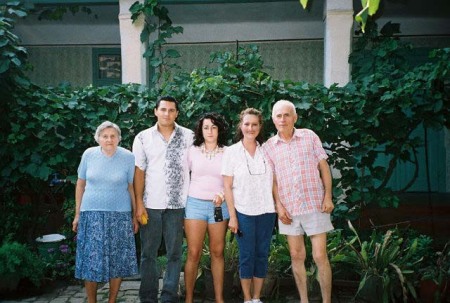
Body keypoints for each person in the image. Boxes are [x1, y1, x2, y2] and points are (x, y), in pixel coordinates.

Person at [263, 99, 334, 303]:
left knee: (320, 256)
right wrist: (279, 206)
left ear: (295, 117)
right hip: (289, 210)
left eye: (287, 115)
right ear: (273, 119)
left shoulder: (309, 136)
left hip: (315, 203)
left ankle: (326, 301)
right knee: (296, 256)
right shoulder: (269, 146)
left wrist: (328, 195)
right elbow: (273, 180)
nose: (283, 119)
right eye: (279, 115)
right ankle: (304, 300)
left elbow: (324, 167)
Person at [133, 96, 194, 303]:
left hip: (178, 205)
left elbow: (198, 167)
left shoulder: (189, 136)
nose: (167, 114)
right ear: (155, 111)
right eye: (163, 109)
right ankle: (148, 297)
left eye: (171, 110)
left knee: (175, 253)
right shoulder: (143, 138)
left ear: (177, 113)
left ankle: (169, 295)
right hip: (150, 204)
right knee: (148, 253)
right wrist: (139, 203)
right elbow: (139, 172)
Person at [72, 121, 138, 303]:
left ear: (118, 138)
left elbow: (131, 187)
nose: (109, 140)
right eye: (105, 136)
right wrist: (77, 214)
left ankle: (112, 300)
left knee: (118, 261)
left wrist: (134, 215)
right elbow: (80, 184)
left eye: (113, 136)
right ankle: (92, 301)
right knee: (90, 262)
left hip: (120, 216)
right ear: (98, 138)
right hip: (91, 214)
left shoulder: (128, 157)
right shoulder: (89, 155)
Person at [221, 108, 276, 303]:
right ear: (240, 126)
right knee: (247, 256)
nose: (250, 128)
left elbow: (275, 181)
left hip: (267, 211)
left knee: (262, 254)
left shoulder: (268, 150)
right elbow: (227, 187)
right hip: (243, 212)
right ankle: (246, 298)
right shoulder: (231, 152)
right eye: (246, 124)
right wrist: (233, 216)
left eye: (254, 124)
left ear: (260, 127)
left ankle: (256, 297)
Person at [184, 112, 230, 303]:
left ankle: (219, 299)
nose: (210, 131)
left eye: (213, 127)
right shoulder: (191, 151)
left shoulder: (229, 152)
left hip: (219, 207)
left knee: (217, 252)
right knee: (193, 253)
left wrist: (223, 195)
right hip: (194, 204)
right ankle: (188, 299)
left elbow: (233, 182)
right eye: (205, 127)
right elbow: (183, 179)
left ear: (219, 129)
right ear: (200, 130)